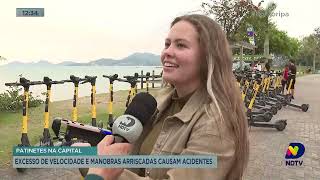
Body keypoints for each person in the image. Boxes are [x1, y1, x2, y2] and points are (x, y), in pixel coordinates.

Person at [82, 14, 249, 180]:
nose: (167, 52)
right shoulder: (159, 104)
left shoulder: (216, 123)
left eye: (181, 45)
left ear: (207, 58)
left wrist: (99, 169)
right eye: (167, 44)